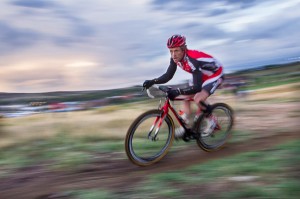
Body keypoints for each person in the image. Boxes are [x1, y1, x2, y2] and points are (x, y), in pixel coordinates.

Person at [143, 34, 224, 138]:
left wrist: (177, 91)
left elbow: (197, 88)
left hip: (215, 73)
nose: (173, 54)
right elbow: (168, 75)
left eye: (176, 50)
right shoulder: (175, 58)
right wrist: (153, 81)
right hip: (201, 74)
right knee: (185, 97)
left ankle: (212, 122)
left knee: (198, 98)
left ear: (183, 49)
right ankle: (185, 125)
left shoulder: (192, 60)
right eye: (171, 51)